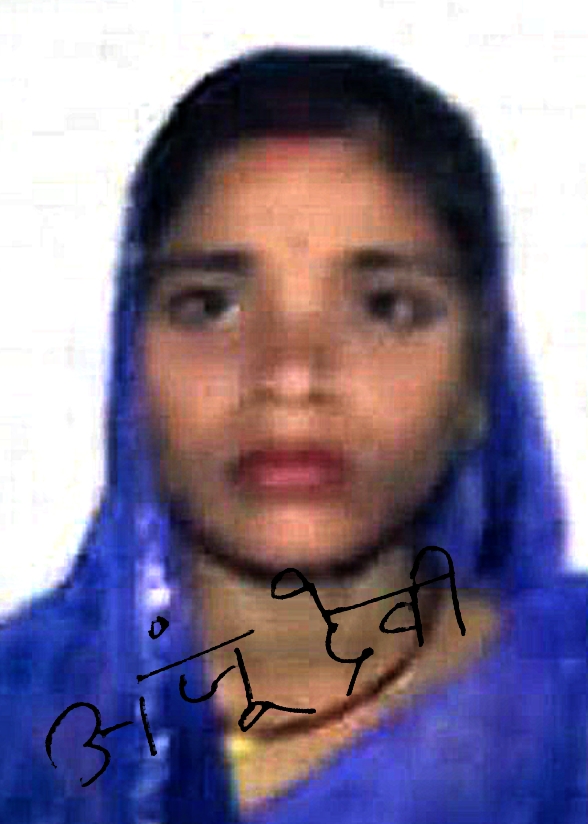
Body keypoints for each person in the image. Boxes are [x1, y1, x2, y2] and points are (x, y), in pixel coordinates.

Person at [1, 46, 585, 824]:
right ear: (130, 355)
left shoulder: (569, 716)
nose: (291, 374)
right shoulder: (20, 733)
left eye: (386, 307)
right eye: (211, 306)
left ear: (481, 370)